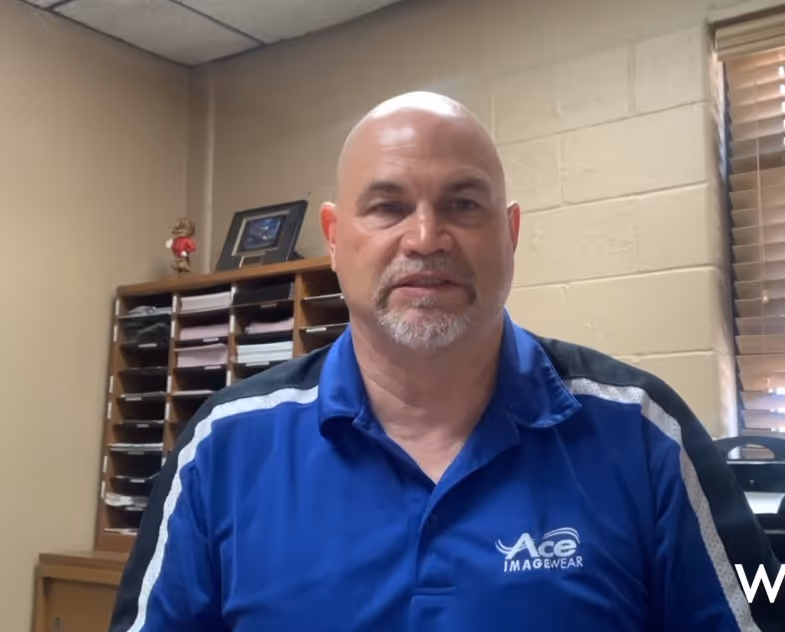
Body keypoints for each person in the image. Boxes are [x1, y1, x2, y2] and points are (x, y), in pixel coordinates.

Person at [108, 91, 784, 632]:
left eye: (462, 205)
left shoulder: (642, 434)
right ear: (337, 241)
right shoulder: (223, 448)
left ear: (509, 234)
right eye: (388, 207)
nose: (426, 238)